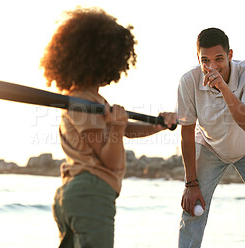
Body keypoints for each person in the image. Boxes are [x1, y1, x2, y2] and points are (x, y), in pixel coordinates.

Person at [40, 7, 176, 248]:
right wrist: (115, 127)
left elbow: (124, 131)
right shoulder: (83, 101)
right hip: (91, 193)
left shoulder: (87, 99)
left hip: (73, 193)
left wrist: (158, 126)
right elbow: (109, 160)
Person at [177, 27, 245, 247]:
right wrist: (191, 184)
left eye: (219, 59)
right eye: (205, 60)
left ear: (230, 55)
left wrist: (223, 87)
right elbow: (187, 132)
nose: (212, 66)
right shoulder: (188, 81)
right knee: (192, 210)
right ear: (198, 58)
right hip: (210, 145)